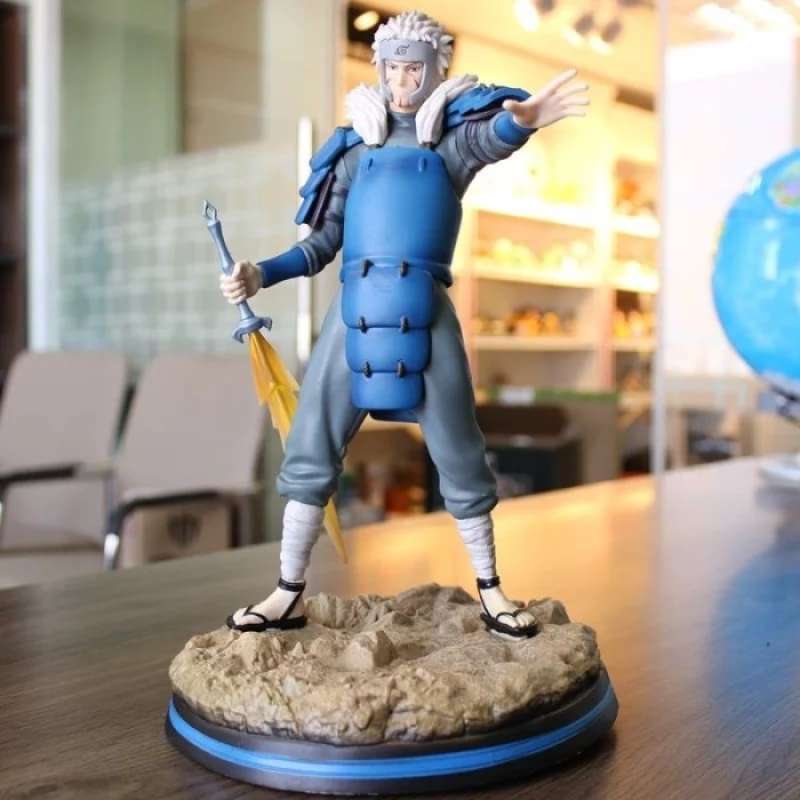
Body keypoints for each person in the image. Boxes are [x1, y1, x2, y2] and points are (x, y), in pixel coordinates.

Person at [220, 10, 589, 641]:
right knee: (310, 442)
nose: (401, 81)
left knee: (459, 447)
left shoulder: (447, 143)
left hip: (426, 311)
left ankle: (491, 589)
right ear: (379, 68)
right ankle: (287, 590)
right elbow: (321, 243)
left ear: (435, 70)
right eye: (392, 67)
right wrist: (261, 274)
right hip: (353, 312)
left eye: (414, 68)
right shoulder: (351, 149)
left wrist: (522, 120)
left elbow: (491, 138)